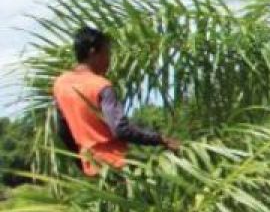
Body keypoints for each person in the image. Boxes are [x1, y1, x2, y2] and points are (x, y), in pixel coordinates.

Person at [53, 27, 180, 176]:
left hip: (93, 169)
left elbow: (63, 131)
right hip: (118, 167)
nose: (108, 60)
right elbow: (121, 129)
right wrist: (161, 139)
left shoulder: (60, 85)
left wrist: (81, 165)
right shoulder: (101, 86)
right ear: (93, 52)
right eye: (106, 53)